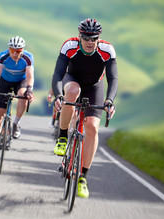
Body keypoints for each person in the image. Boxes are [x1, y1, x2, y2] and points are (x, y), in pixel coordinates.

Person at [51, 18, 118, 198]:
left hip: (94, 86)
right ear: (80, 36)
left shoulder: (107, 50)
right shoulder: (69, 46)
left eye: (93, 38)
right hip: (72, 79)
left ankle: (83, 177)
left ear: (98, 38)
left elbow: (113, 79)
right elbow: (58, 74)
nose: (90, 42)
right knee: (73, 91)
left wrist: (109, 100)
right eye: (86, 38)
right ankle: (63, 136)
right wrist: (58, 95)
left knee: (92, 127)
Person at [0, 36, 35, 161]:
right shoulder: (3, 56)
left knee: (23, 95)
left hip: (21, 81)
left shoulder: (28, 57)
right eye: (12, 50)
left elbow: (29, 76)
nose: (14, 53)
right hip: (4, 81)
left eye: (18, 51)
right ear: (9, 49)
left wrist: (29, 90)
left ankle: (16, 123)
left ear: (22, 50)